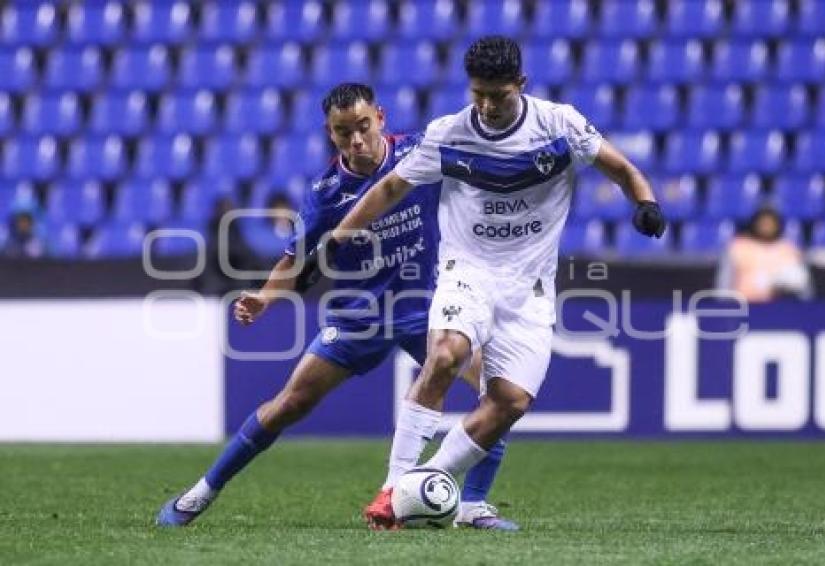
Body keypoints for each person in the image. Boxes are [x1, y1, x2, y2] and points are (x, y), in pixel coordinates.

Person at [324, 36, 666, 528]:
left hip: (529, 288)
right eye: (478, 94)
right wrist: (340, 234)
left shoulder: (560, 125)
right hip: (468, 271)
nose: (486, 106)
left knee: (510, 402)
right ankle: (392, 489)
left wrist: (646, 203)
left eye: (497, 96)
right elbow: (392, 186)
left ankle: (421, 489)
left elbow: (622, 168)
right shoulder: (449, 133)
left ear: (520, 85)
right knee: (445, 354)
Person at [157, 83, 517, 530]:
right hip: (357, 317)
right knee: (290, 404)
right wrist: (266, 296)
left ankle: (474, 504)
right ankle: (200, 493)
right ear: (331, 134)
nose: (356, 140)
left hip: (425, 309)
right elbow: (293, 259)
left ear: (380, 117)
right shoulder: (326, 193)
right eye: (344, 132)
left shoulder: (419, 153)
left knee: (498, 392)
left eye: (363, 127)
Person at [716, 206, 813, 302]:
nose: (766, 227)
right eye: (763, 224)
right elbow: (724, 282)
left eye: (770, 224)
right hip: (744, 304)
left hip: (780, 306)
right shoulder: (738, 247)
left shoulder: (789, 249)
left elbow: (804, 286)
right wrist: (724, 304)